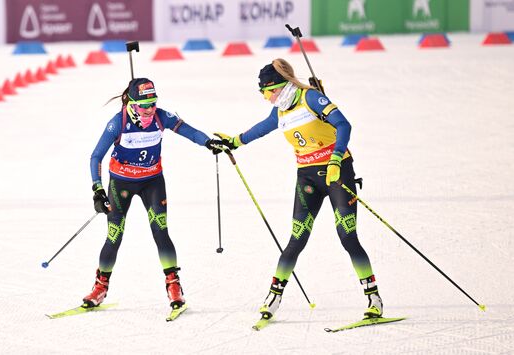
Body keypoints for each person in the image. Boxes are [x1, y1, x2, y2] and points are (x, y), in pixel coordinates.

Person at [216, 58, 383, 321]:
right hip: (306, 177)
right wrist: (235, 141)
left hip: (336, 172)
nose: (266, 98)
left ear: (280, 86)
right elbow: (262, 128)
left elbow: (344, 125)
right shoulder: (281, 109)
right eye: (262, 93)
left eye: (267, 92)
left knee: (347, 236)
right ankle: (273, 297)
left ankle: (373, 297)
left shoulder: (310, 98)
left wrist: (337, 158)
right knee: (296, 239)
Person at [83, 77, 225, 313]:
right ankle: (100, 288)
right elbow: (96, 156)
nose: (150, 110)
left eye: (153, 103)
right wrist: (97, 189)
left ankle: (174, 285)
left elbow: (187, 130)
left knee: (161, 231)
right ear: (132, 103)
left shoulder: (161, 116)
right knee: (114, 236)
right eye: (144, 105)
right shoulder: (118, 122)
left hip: (152, 182)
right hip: (121, 184)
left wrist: (208, 143)